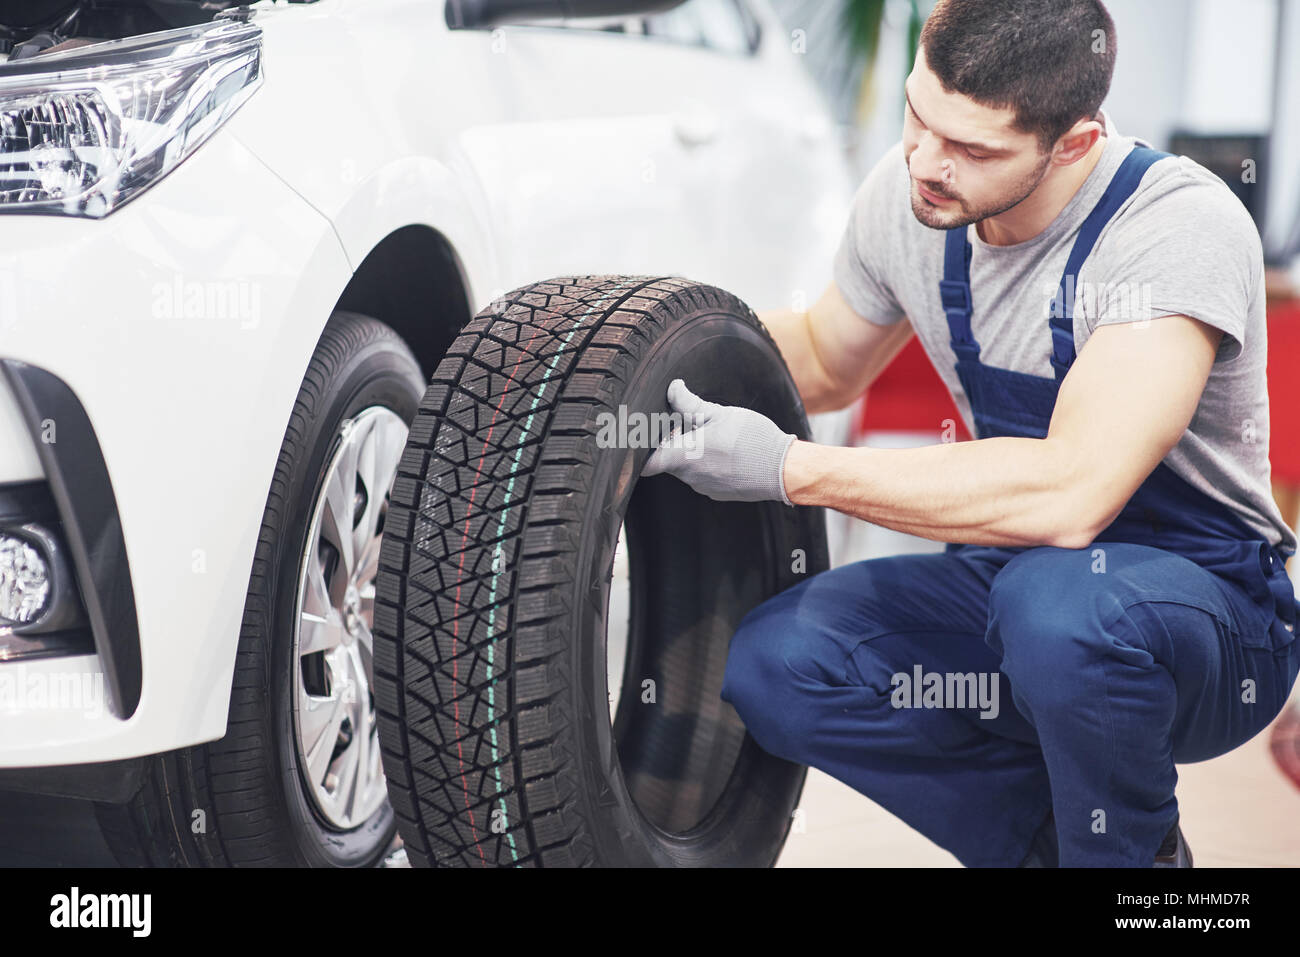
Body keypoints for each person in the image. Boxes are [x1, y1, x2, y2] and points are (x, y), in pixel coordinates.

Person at [643, 0, 1300, 867]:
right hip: (1010, 580)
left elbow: (1073, 494)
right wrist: (642, 362)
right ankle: (1070, 846)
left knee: (1062, 611)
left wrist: (789, 467)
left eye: (974, 149)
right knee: (779, 662)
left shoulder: (1173, 229)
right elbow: (822, 355)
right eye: (919, 114)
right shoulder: (913, 194)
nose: (925, 162)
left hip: (1208, 614)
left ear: (1074, 141)